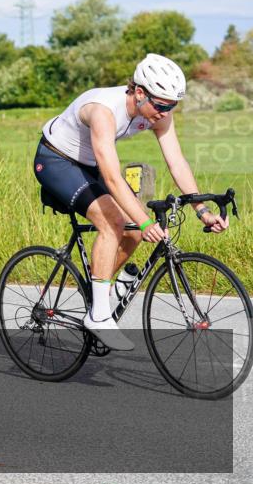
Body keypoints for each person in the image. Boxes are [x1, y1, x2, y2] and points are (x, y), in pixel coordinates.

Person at [34, 53, 228, 351]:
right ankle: (99, 316)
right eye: (161, 105)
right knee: (113, 223)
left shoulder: (158, 112)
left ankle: (102, 288)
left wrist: (202, 211)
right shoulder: (103, 110)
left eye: (172, 106)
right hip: (57, 160)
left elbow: (176, 161)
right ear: (139, 92)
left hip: (89, 164)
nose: (164, 113)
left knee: (134, 231)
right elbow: (112, 178)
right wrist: (145, 218)